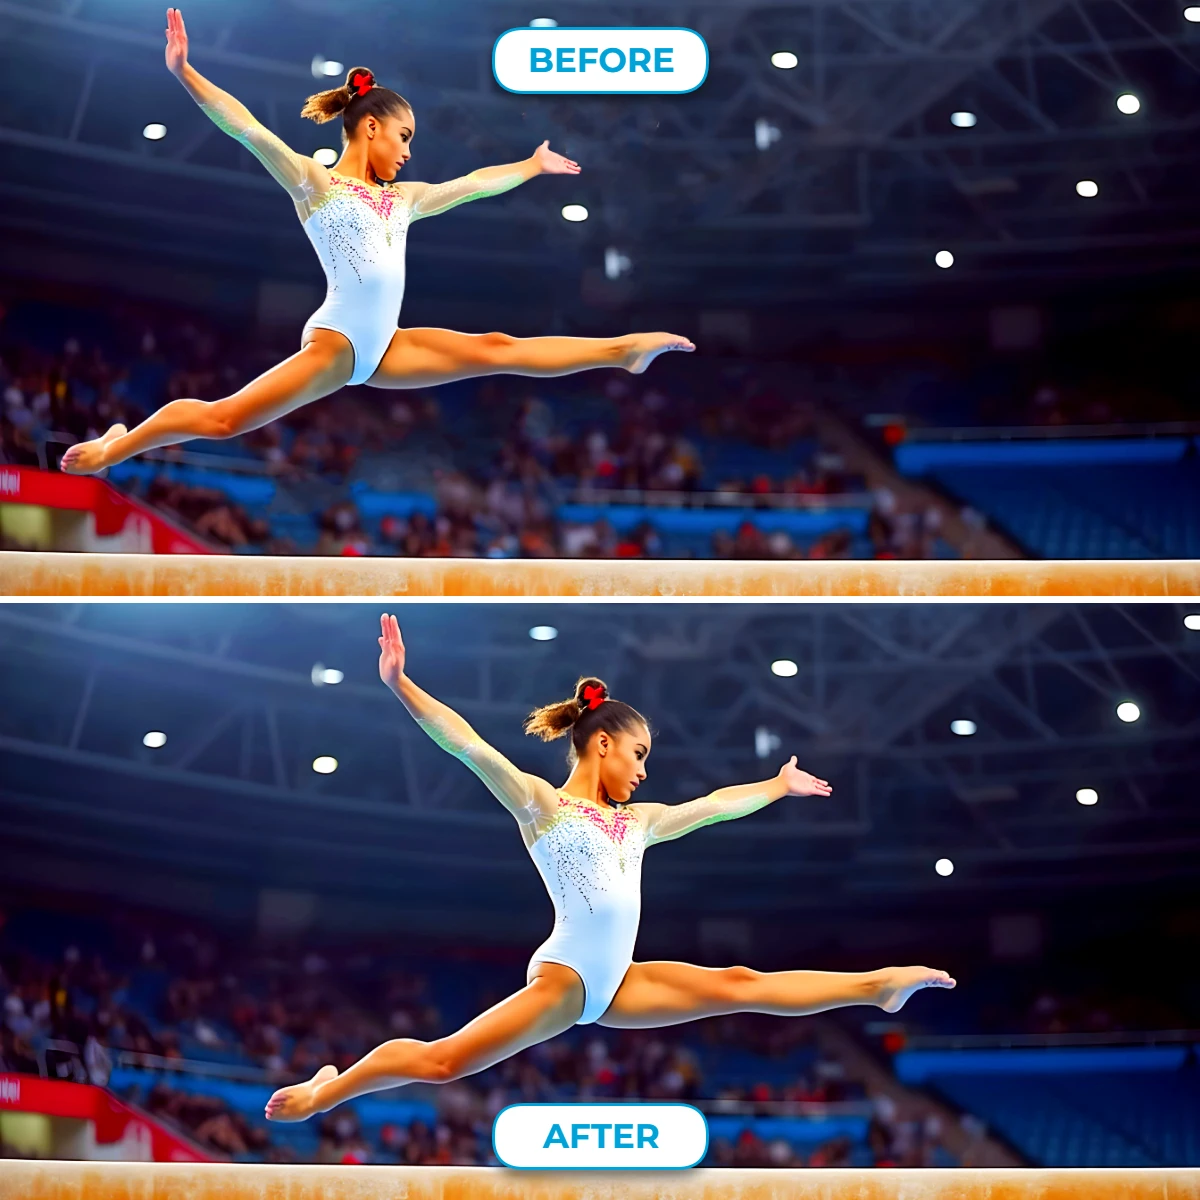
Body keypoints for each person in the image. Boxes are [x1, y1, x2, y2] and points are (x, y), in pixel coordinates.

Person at [263, 614, 955, 1121]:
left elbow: (713, 805)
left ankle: (877, 986)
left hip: (620, 984)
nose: (645, 768)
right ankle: (329, 1088)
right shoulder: (542, 806)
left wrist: (775, 787)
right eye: (639, 753)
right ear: (600, 745)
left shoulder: (639, 821)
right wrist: (401, 685)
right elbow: (470, 748)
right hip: (566, 978)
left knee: (740, 982)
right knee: (444, 1063)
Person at [61, 9, 694, 475]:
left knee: (497, 347)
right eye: (405, 136)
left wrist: (529, 167)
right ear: (370, 127)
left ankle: (622, 350)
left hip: (385, 348)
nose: (410, 150)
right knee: (224, 420)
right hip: (338, 342)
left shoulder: (404, 198)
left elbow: (473, 184)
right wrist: (185, 73)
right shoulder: (316, 184)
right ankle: (118, 444)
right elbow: (248, 130)